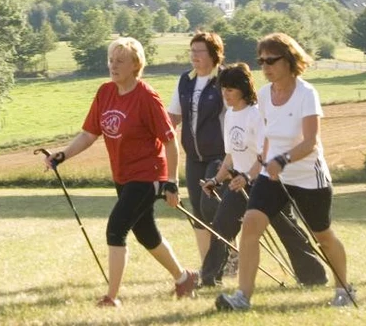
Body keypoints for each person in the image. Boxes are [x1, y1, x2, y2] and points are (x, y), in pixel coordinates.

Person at [42, 37, 200, 308]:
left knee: (116, 229)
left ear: (135, 65)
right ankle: (184, 278)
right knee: (146, 233)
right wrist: (62, 155)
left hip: (148, 174)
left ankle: (111, 297)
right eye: (111, 60)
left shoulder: (146, 97)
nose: (113, 66)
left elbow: (170, 140)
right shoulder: (105, 92)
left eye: (120, 61)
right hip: (123, 176)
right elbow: (90, 134)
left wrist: (171, 183)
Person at [216, 33, 355, 311]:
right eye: (261, 61)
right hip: (273, 174)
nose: (265, 66)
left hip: (308, 176)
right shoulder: (265, 95)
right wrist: (264, 165)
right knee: (251, 225)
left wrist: (283, 159)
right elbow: (268, 135)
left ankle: (344, 289)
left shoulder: (306, 94)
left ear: (289, 61)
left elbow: (311, 141)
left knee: (323, 236)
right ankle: (242, 297)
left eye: (271, 60)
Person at [198, 63, 327, 287]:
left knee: (288, 230)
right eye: (223, 89)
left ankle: (314, 276)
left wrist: (248, 177)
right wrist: (216, 180)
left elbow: (263, 155)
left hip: (265, 181)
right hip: (239, 182)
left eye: (230, 89)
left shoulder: (255, 115)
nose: (225, 94)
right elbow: (230, 155)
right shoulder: (230, 115)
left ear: (242, 89)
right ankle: (209, 279)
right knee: (221, 227)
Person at [168, 32, 227, 265]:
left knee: (211, 207)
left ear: (214, 54)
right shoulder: (186, 80)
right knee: (198, 213)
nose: (194, 56)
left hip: (219, 155)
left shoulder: (225, 79)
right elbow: (173, 116)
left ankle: (228, 255)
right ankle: (207, 266)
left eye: (199, 51)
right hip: (193, 157)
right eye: (192, 51)